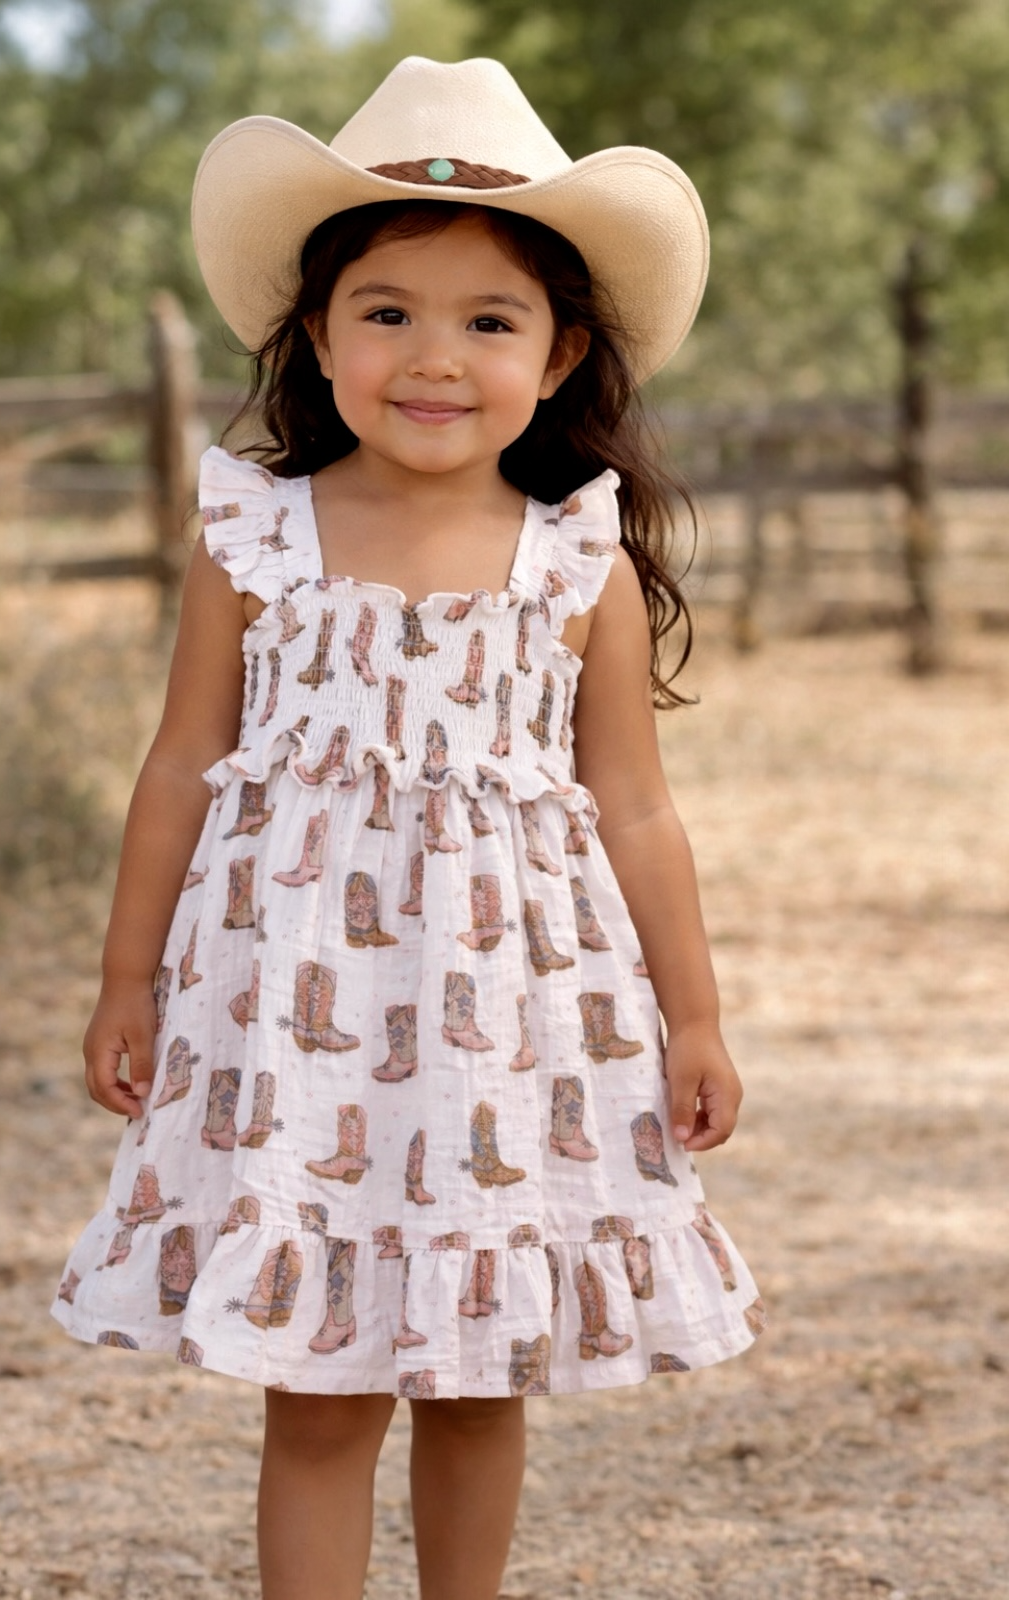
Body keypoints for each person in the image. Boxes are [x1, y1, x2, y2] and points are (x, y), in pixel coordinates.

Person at [51, 55, 765, 1600]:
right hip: (299, 1028)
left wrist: (693, 1014)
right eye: (387, 312)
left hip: (508, 1024)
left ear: (562, 356)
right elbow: (182, 763)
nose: (433, 358)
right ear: (317, 333)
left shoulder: (577, 564)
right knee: (315, 1390)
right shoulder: (256, 536)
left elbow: (635, 803)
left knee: (477, 1373)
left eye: (487, 321)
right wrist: (126, 981)